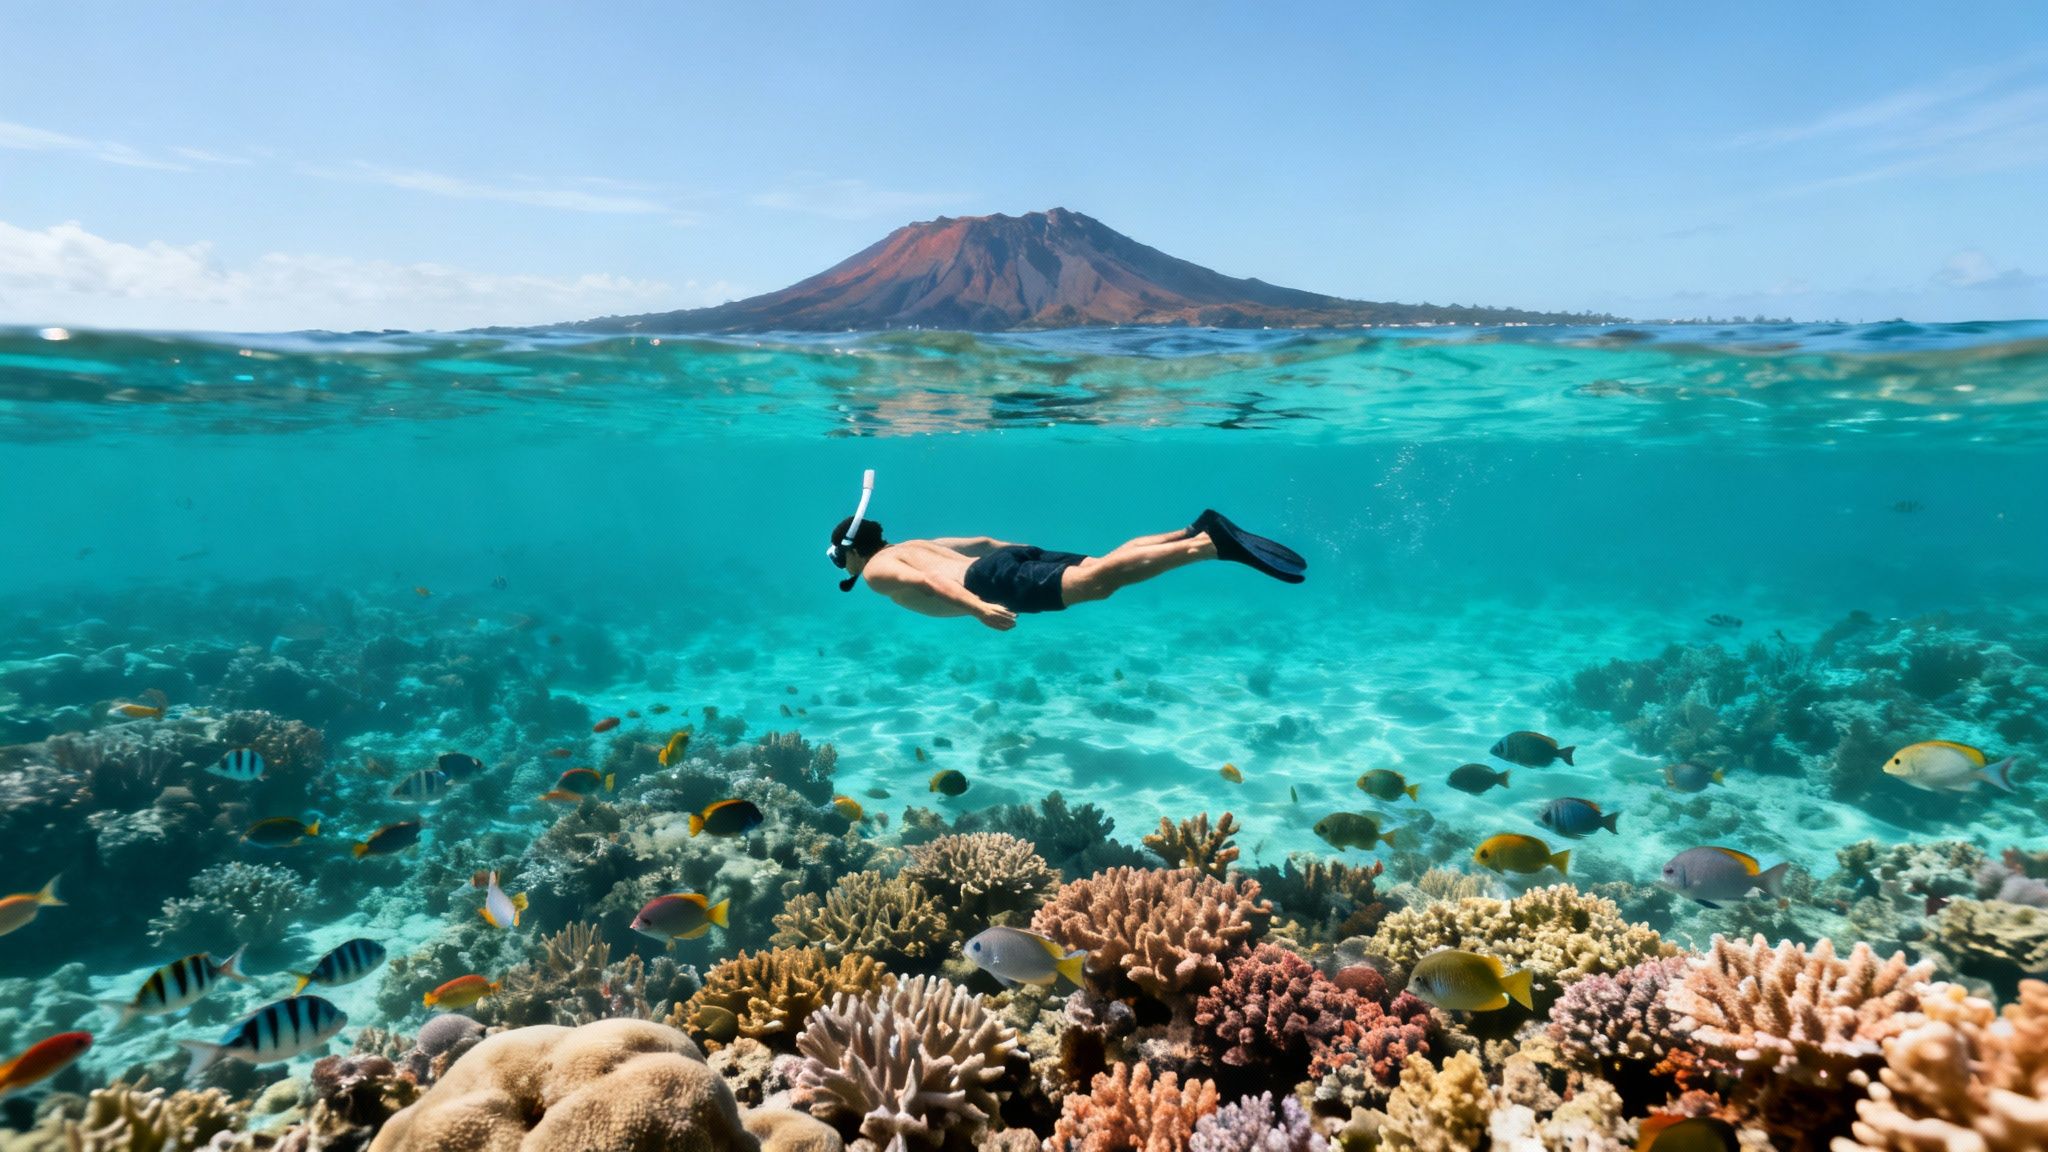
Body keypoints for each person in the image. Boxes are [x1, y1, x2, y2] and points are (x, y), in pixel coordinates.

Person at [827, 509, 1305, 630]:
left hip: (987, 582)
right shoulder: (914, 542)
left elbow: (928, 582)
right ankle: (1191, 529)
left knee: (1098, 584)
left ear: (849, 552)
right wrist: (1031, 553)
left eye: (836, 557)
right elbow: (987, 543)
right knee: (1102, 564)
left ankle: (1207, 545)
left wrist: (978, 609)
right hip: (1000, 562)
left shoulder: (876, 571)